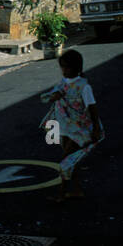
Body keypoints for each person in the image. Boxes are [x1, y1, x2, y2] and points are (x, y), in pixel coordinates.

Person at [39, 49, 102, 201]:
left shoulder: (84, 87)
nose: (64, 70)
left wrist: (96, 129)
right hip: (66, 127)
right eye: (63, 67)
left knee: (65, 162)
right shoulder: (64, 83)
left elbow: (92, 108)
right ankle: (77, 190)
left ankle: (61, 195)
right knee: (70, 162)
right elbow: (48, 97)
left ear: (77, 68)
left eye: (68, 67)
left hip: (80, 130)